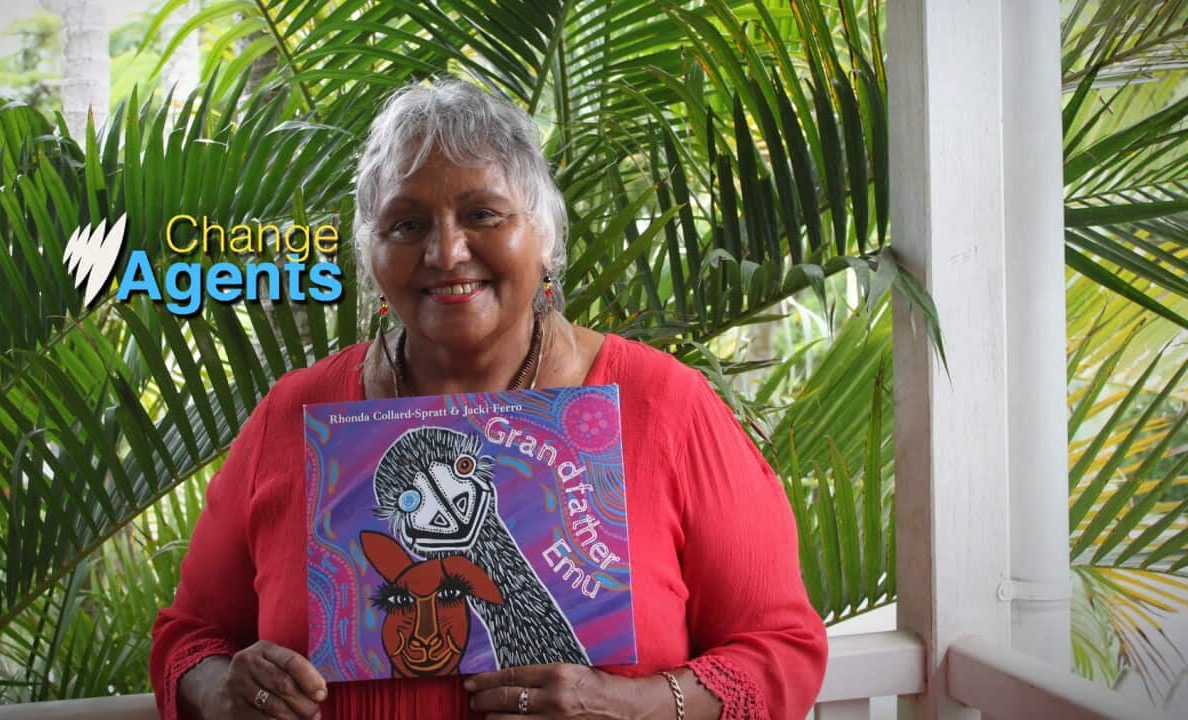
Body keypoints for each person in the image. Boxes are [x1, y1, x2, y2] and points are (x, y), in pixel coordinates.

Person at [150, 78, 828, 720]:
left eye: (482, 214)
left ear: (544, 236)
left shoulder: (662, 406)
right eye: (406, 225)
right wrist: (219, 690)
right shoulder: (294, 419)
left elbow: (781, 651)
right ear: (372, 255)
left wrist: (637, 705)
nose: (446, 252)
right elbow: (190, 637)